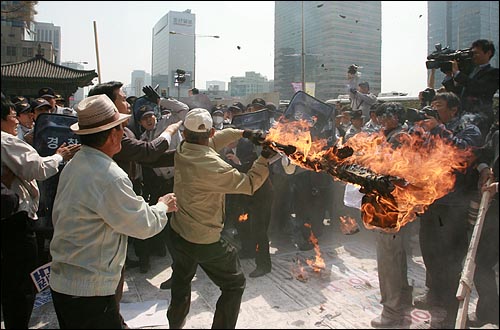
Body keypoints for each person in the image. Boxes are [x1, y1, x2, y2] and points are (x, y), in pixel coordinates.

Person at [49, 94, 178, 329]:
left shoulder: (74, 164)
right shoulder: (110, 175)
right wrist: (162, 205)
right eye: (122, 127)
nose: (125, 132)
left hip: (65, 283)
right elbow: (143, 225)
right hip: (90, 292)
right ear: (112, 134)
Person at [166, 108, 275, 329]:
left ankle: (174, 324)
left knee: (181, 282)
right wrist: (264, 158)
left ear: (185, 134)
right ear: (212, 131)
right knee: (234, 284)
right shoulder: (215, 166)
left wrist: (244, 133)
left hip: (178, 232)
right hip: (203, 238)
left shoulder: (183, 148)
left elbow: (213, 142)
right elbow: (250, 183)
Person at [88, 81, 182, 323]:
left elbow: (149, 159)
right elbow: (148, 153)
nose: (126, 99)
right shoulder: (110, 175)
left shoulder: (97, 154)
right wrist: (162, 205)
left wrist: (187, 156)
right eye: (121, 97)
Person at [1, 98, 80, 329]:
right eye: (13, 116)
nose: (17, 121)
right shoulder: (6, 141)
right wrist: (60, 155)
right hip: (14, 221)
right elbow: (38, 168)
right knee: (20, 284)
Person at [413, 92, 482, 328]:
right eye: (431, 106)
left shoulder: (468, 127)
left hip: (454, 205)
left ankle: (451, 314)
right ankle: (436, 299)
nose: (433, 110)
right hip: (431, 202)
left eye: (438, 106)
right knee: (430, 255)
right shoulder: (430, 131)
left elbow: (465, 154)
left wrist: (440, 129)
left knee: (450, 261)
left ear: (453, 110)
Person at [369, 102, 413, 328]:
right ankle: (403, 299)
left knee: (388, 259)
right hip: (395, 203)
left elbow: (387, 170)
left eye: (386, 116)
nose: (381, 120)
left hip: (390, 204)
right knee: (397, 255)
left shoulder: (398, 138)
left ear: (396, 117)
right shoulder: (394, 136)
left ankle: (391, 310)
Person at [468, 121, 499, 327]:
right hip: (495, 213)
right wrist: (483, 168)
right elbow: (483, 154)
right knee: (483, 264)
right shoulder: (496, 134)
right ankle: (489, 312)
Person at [443, 39, 499, 138]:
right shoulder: (470, 72)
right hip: (463, 116)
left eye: (476, 53)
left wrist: (457, 74)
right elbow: (457, 92)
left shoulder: (493, 73)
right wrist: (449, 75)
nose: (473, 56)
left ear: (488, 53)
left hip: (481, 118)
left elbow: (479, 88)